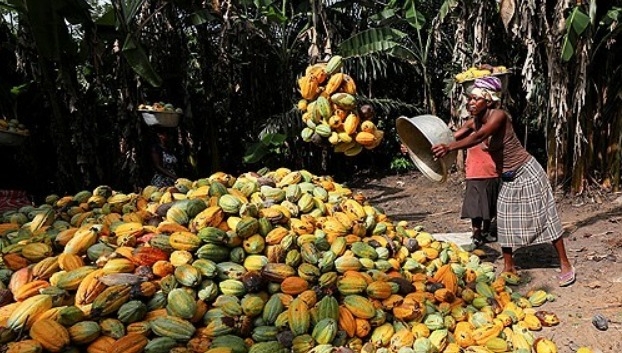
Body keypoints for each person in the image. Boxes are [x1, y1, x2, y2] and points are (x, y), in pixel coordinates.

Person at [431, 76, 575, 287]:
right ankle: (508, 267)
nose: (471, 103)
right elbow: (454, 137)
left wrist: (450, 148)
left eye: (476, 99)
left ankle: (566, 264)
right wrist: (430, 146)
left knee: (545, 216)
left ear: (488, 101)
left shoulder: (499, 116)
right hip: (507, 177)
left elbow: (479, 137)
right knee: (505, 220)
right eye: (470, 99)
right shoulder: (474, 121)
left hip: (527, 171)